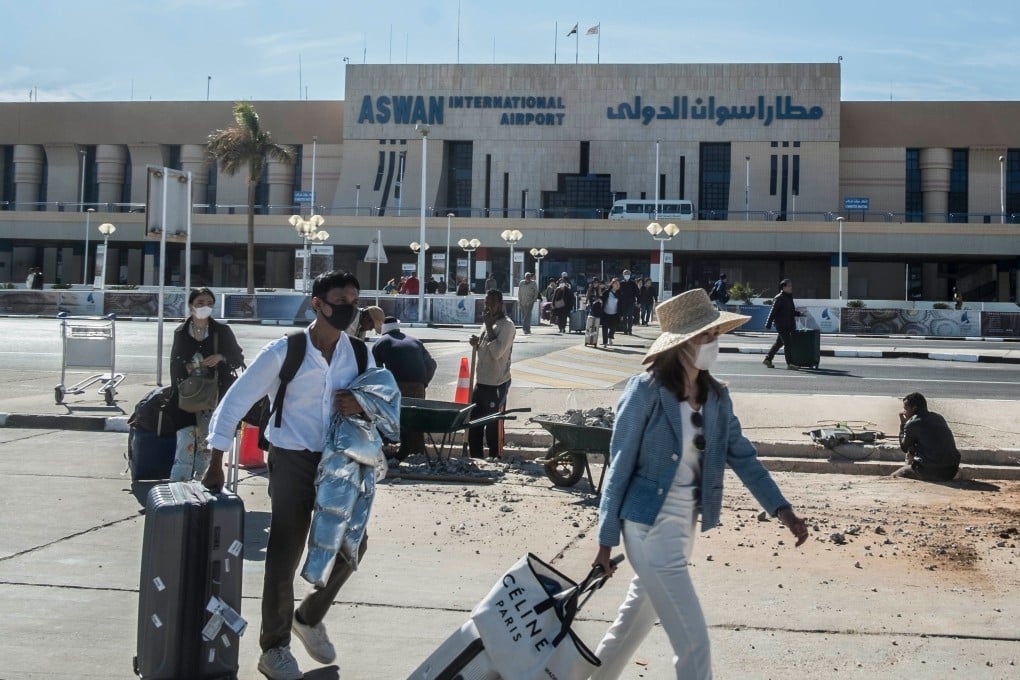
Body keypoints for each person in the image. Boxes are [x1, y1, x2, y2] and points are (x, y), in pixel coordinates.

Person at [590, 288, 809, 679]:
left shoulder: (717, 397)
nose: (714, 342)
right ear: (682, 344)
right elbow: (619, 465)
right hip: (646, 528)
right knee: (694, 642)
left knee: (629, 629)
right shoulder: (646, 391)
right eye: (706, 336)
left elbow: (743, 457)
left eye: (715, 335)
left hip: (682, 530)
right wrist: (605, 543)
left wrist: (782, 509)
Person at [202, 270, 377, 680]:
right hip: (292, 459)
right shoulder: (286, 351)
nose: (349, 308)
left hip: (338, 462)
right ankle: (274, 649)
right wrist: (215, 461)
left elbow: (385, 402)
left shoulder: (361, 354)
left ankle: (309, 617)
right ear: (317, 304)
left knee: (354, 542)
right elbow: (234, 402)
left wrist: (362, 404)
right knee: (284, 553)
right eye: (340, 300)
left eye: (354, 300)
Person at [168, 287, 244, 482]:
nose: (205, 307)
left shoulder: (222, 331)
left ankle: (202, 482)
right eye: (200, 303)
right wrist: (186, 367)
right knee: (185, 439)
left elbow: (237, 358)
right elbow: (174, 363)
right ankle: (180, 484)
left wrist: (221, 357)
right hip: (187, 396)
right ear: (191, 306)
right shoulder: (181, 332)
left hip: (214, 395)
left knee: (205, 442)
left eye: (209, 304)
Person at [372, 316, 436, 460]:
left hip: (397, 385)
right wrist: (423, 383)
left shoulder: (380, 343)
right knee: (415, 419)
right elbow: (432, 364)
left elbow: (375, 370)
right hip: (418, 386)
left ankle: (400, 451)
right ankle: (418, 453)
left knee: (398, 418)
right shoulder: (415, 341)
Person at [468, 289, 515, 459]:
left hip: (496, 383)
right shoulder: (487, 322)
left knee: (492, 425)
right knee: (474, 423)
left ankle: (495, 457)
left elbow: (497, 353)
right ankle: (476, 457)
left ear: (501, 304)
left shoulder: (507, 326)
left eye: (492, 303)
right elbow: (485, 348)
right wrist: (476, 343)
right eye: (486, 303)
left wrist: (488, 326)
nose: (488, 307)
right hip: (481, 381)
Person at [891, 392, 961, 482]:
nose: (904, 412)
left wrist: (903, 425)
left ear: (914, 408)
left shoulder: (912, 424)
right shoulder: (939, 417)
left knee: (894, 477)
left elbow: (904, 447)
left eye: (906, 409)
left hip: (929, 471)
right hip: (951, 470)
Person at [763, 278, 804, 369]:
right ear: (784, 287)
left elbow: (791, 312)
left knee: (778, 343)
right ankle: (790, 364)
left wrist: (799, 314)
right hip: (781, 325)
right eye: (789, 286)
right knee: (788, 343)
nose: (791, 288)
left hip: (788, 324)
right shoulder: (779, 298)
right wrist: (768, 324)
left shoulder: (788, 297)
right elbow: (773, 312)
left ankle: (768, 359)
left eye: (791, 286)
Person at [600, 277, 622, 347]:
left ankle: (610, 337)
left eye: (618, 284)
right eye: (616, 284)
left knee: (613, 327)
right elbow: (601, 299)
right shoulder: (607, 292)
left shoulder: (619, 293)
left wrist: (621, 314)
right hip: (606, 313)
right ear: (612, 284)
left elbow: (621, 304)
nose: (617, 285)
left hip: (615, 314)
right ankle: (605, 342)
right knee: (605, 328)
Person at [618, 269, 639, 335]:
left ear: (630, 275)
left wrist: (638, 301)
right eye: (625, 274)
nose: (627, 275)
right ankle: (625, 330)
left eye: (628, 274)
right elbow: (618, 292)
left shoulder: (633, 283)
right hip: (623, 302)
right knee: (624, 316)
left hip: (631, 302)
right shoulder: (621, 283)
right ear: (623, 275)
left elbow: (637, 292)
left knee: (630, 316)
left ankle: (630, 330)